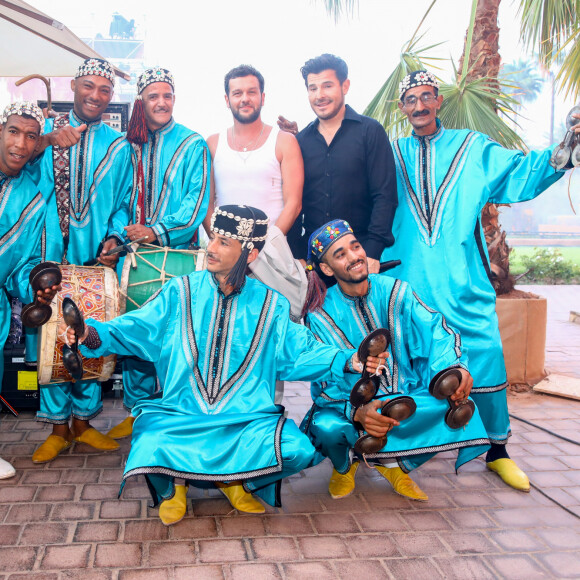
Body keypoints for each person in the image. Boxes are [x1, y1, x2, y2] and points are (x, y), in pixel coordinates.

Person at [63, 205, 385, 525]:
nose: (210, 248)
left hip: (243, 420)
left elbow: (300, 351)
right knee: (149, 439)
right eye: (212, 238)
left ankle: (236, 482)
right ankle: (174, 489)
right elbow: (134, 327)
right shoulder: (181, 290)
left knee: (296, 449)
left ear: (251, 254)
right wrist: (89, 333)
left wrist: (350, 359)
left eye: (223, 242)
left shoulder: (272, 305)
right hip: (183, 414)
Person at [381, 70, 580, 491]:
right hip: (407, 282)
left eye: (426, 97)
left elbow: (518, 171)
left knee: (486, 351)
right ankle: (409, 447)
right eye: (411, 99)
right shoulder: (389, 153)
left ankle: (497, 451)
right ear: (402, 108)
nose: (419, 106)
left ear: (438, 101)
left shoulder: (470, 148)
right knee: (408, 364)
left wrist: (565, 150)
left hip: (461, 280)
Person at [302, 219, 490, 500]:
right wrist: (357, 411)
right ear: (327, 269)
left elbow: (436, 329)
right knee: (326, 427)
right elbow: (322, 382)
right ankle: (345, 467)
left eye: (355, 247)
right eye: (340, 254)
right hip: (350, 409)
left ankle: (394, 465)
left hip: (404, 395)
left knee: (459, 407)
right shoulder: (318, 316)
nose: (354, 257)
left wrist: (454, 368)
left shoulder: (396, 291)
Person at [30, 58, 133, 463]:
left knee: (87, 335)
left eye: (104, 90)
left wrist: (114, 237)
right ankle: (58, 428)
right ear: (73, 85)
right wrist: (47, 142)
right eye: (88, 86)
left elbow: (123, 201)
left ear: (111, 96)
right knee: (50, 340)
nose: (95, 95)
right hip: (46, 258)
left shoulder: (118, 145)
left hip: (93, 262)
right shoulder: (46, 133)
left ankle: (84, 425)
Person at [107, 67, 211, 440]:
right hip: (134, 260)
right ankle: (137, 413)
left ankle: (171, 412)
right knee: (136, 339)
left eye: (167, 95)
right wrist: (119, 235)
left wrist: (156, 230)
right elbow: (118, 201)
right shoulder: (127, 146)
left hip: (177, 256)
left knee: (176, 339)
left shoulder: (193, 143)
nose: (162, 102)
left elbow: (195, 204)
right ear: (141, 102)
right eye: (154, 96)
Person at [203, 64, 306, 321]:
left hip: (272, 255)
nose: (245, 98)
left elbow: (294, 204)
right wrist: (225, 247)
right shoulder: (213, 143)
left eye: (252, 92)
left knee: (274, 325)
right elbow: (207, 205)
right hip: (224, 259)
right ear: (227, 100)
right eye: (237, 93)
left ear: (263, 97)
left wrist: (258, 250)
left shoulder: (284, 141)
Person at [279, 54, 397, 274]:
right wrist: (297, 255)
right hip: (314, 264)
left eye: (327, 86)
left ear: (345, 86)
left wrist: (372, 252)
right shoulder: (300, 142)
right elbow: (293, 203)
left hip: (361, 258)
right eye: (312, 88)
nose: (319, 95)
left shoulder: (370, 132)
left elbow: (385, 196)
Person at [0, 102, 59, 478]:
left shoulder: (33, 198)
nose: (21, 143)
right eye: (13, 131)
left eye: (31, 136)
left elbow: (22, 266)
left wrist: (35, 287)